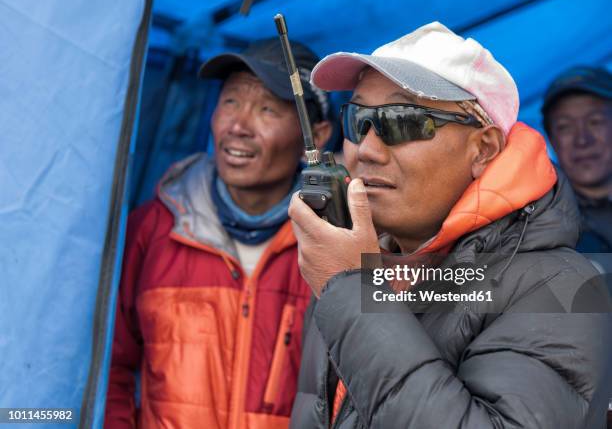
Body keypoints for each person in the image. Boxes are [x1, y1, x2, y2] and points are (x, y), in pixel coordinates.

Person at [288, 22, 612, 428]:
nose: (366, 150)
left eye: (402, 120)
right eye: (358, 121)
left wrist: (350, 289)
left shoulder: (561, 288)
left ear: (483, 150)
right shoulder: (352, 261)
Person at [104, 39, 332, 429]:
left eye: (267, 109)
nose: (239, 126)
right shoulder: (154, 228)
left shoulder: (335, 246)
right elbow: (111, 366)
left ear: (318, 136)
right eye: (230, 102)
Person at [542, 66, 612, 253]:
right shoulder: (539, 223)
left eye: (595, 121)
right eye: (565, 127)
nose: (582, 140)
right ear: (550, 139)